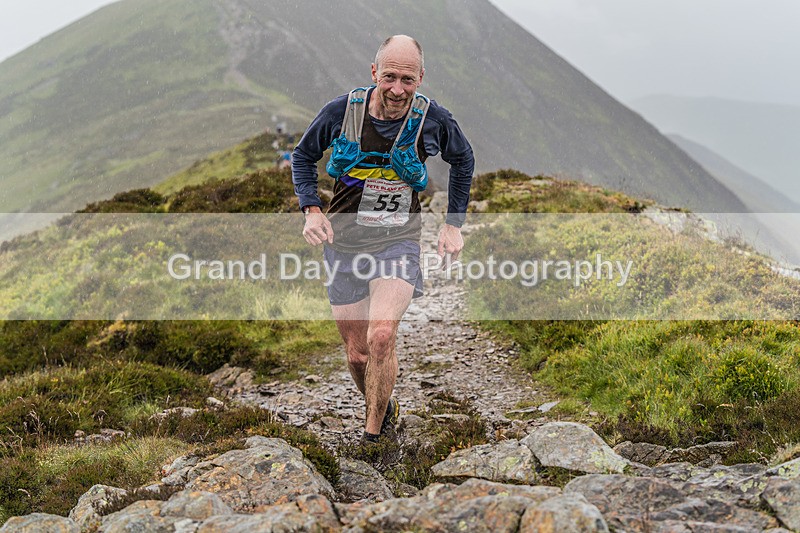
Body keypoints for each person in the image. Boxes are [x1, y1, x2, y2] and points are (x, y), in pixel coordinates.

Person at [292, 35, 474, 443]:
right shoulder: (342, 112)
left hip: (399, 241)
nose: (397, 89)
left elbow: (463, 159)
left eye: (407, 79)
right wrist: (312, 209)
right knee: (358, 353)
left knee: (381, 336)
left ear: (420, 78)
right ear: (374, 72)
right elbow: (303, 156)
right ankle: (383, 403)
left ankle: (374, 434)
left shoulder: (433, 120)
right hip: (344, 244)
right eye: (389, 76)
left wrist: (453, 224)